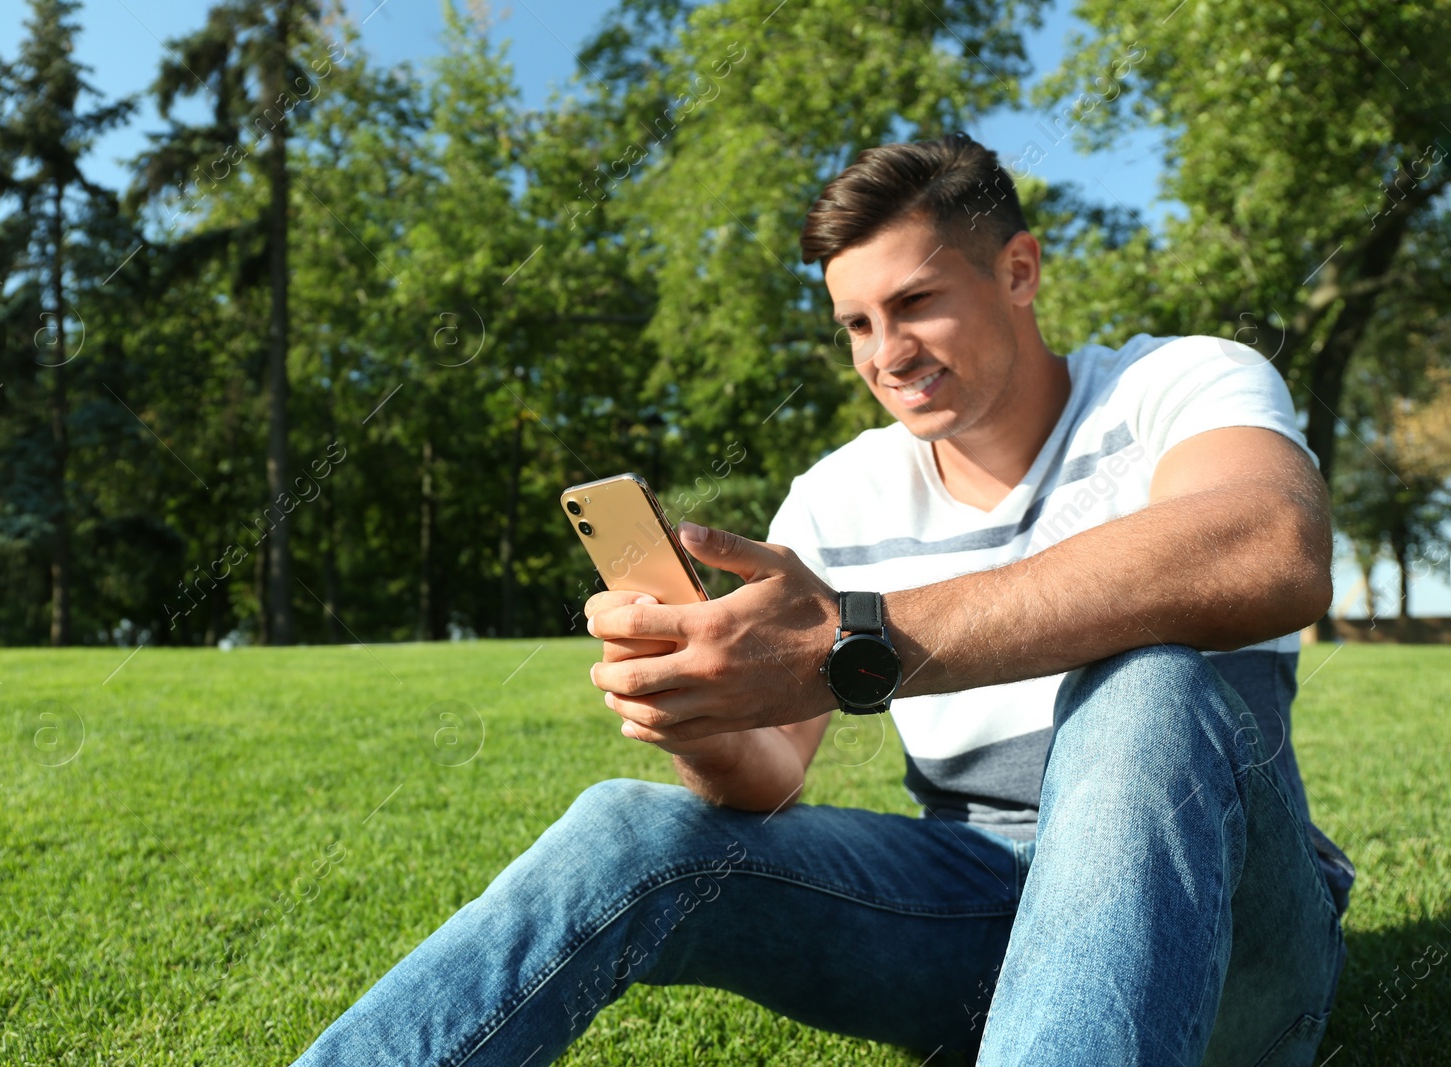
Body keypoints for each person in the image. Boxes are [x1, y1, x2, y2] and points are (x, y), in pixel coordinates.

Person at [292, 133, 1352, 1066]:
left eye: (916, 302)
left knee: (1144, 682)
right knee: (625, 825)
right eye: (854, 323)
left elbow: (1271, 544)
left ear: (1018, 269)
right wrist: (697, 706)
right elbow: (765, 781)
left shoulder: (1179, 383)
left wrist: (863, 634)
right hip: (973, 904)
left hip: (1227, 919)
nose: (886, 355)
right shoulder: (838, 492)